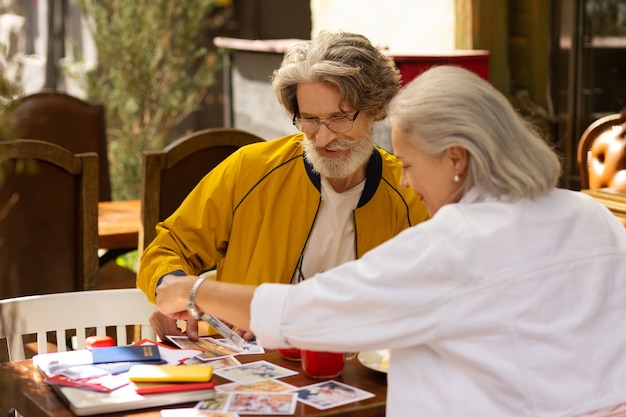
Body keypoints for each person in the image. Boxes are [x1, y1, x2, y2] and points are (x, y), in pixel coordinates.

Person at [155, 65, 626, 417]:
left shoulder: (455, 241)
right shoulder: (590, 214)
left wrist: (193, 291)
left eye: (412, 164)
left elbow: (312, 312)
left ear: (456, 159)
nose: (405, 181)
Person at [137, 30, 430, 341]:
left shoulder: (411, 193)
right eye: (310, 119)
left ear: (374, 110)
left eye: (340, 117)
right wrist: (175, 289)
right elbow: (168, 248)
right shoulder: (250, 169)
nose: (324, 137)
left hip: (360, 371)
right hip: (253, 368)